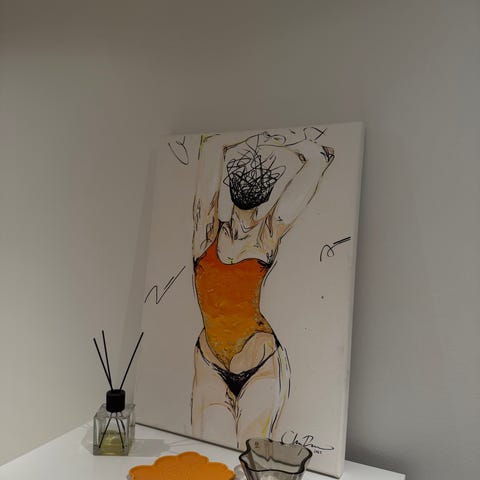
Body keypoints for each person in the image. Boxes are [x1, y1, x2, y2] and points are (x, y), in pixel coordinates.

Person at [190, 128, 334, 448]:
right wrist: (282, 140)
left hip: (259, 366)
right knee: (210, 454)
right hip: (213, 364)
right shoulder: (257, 235)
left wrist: (262, 138)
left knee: (250, 455)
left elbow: (212, 146)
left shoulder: (213, 233)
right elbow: (318, 160)